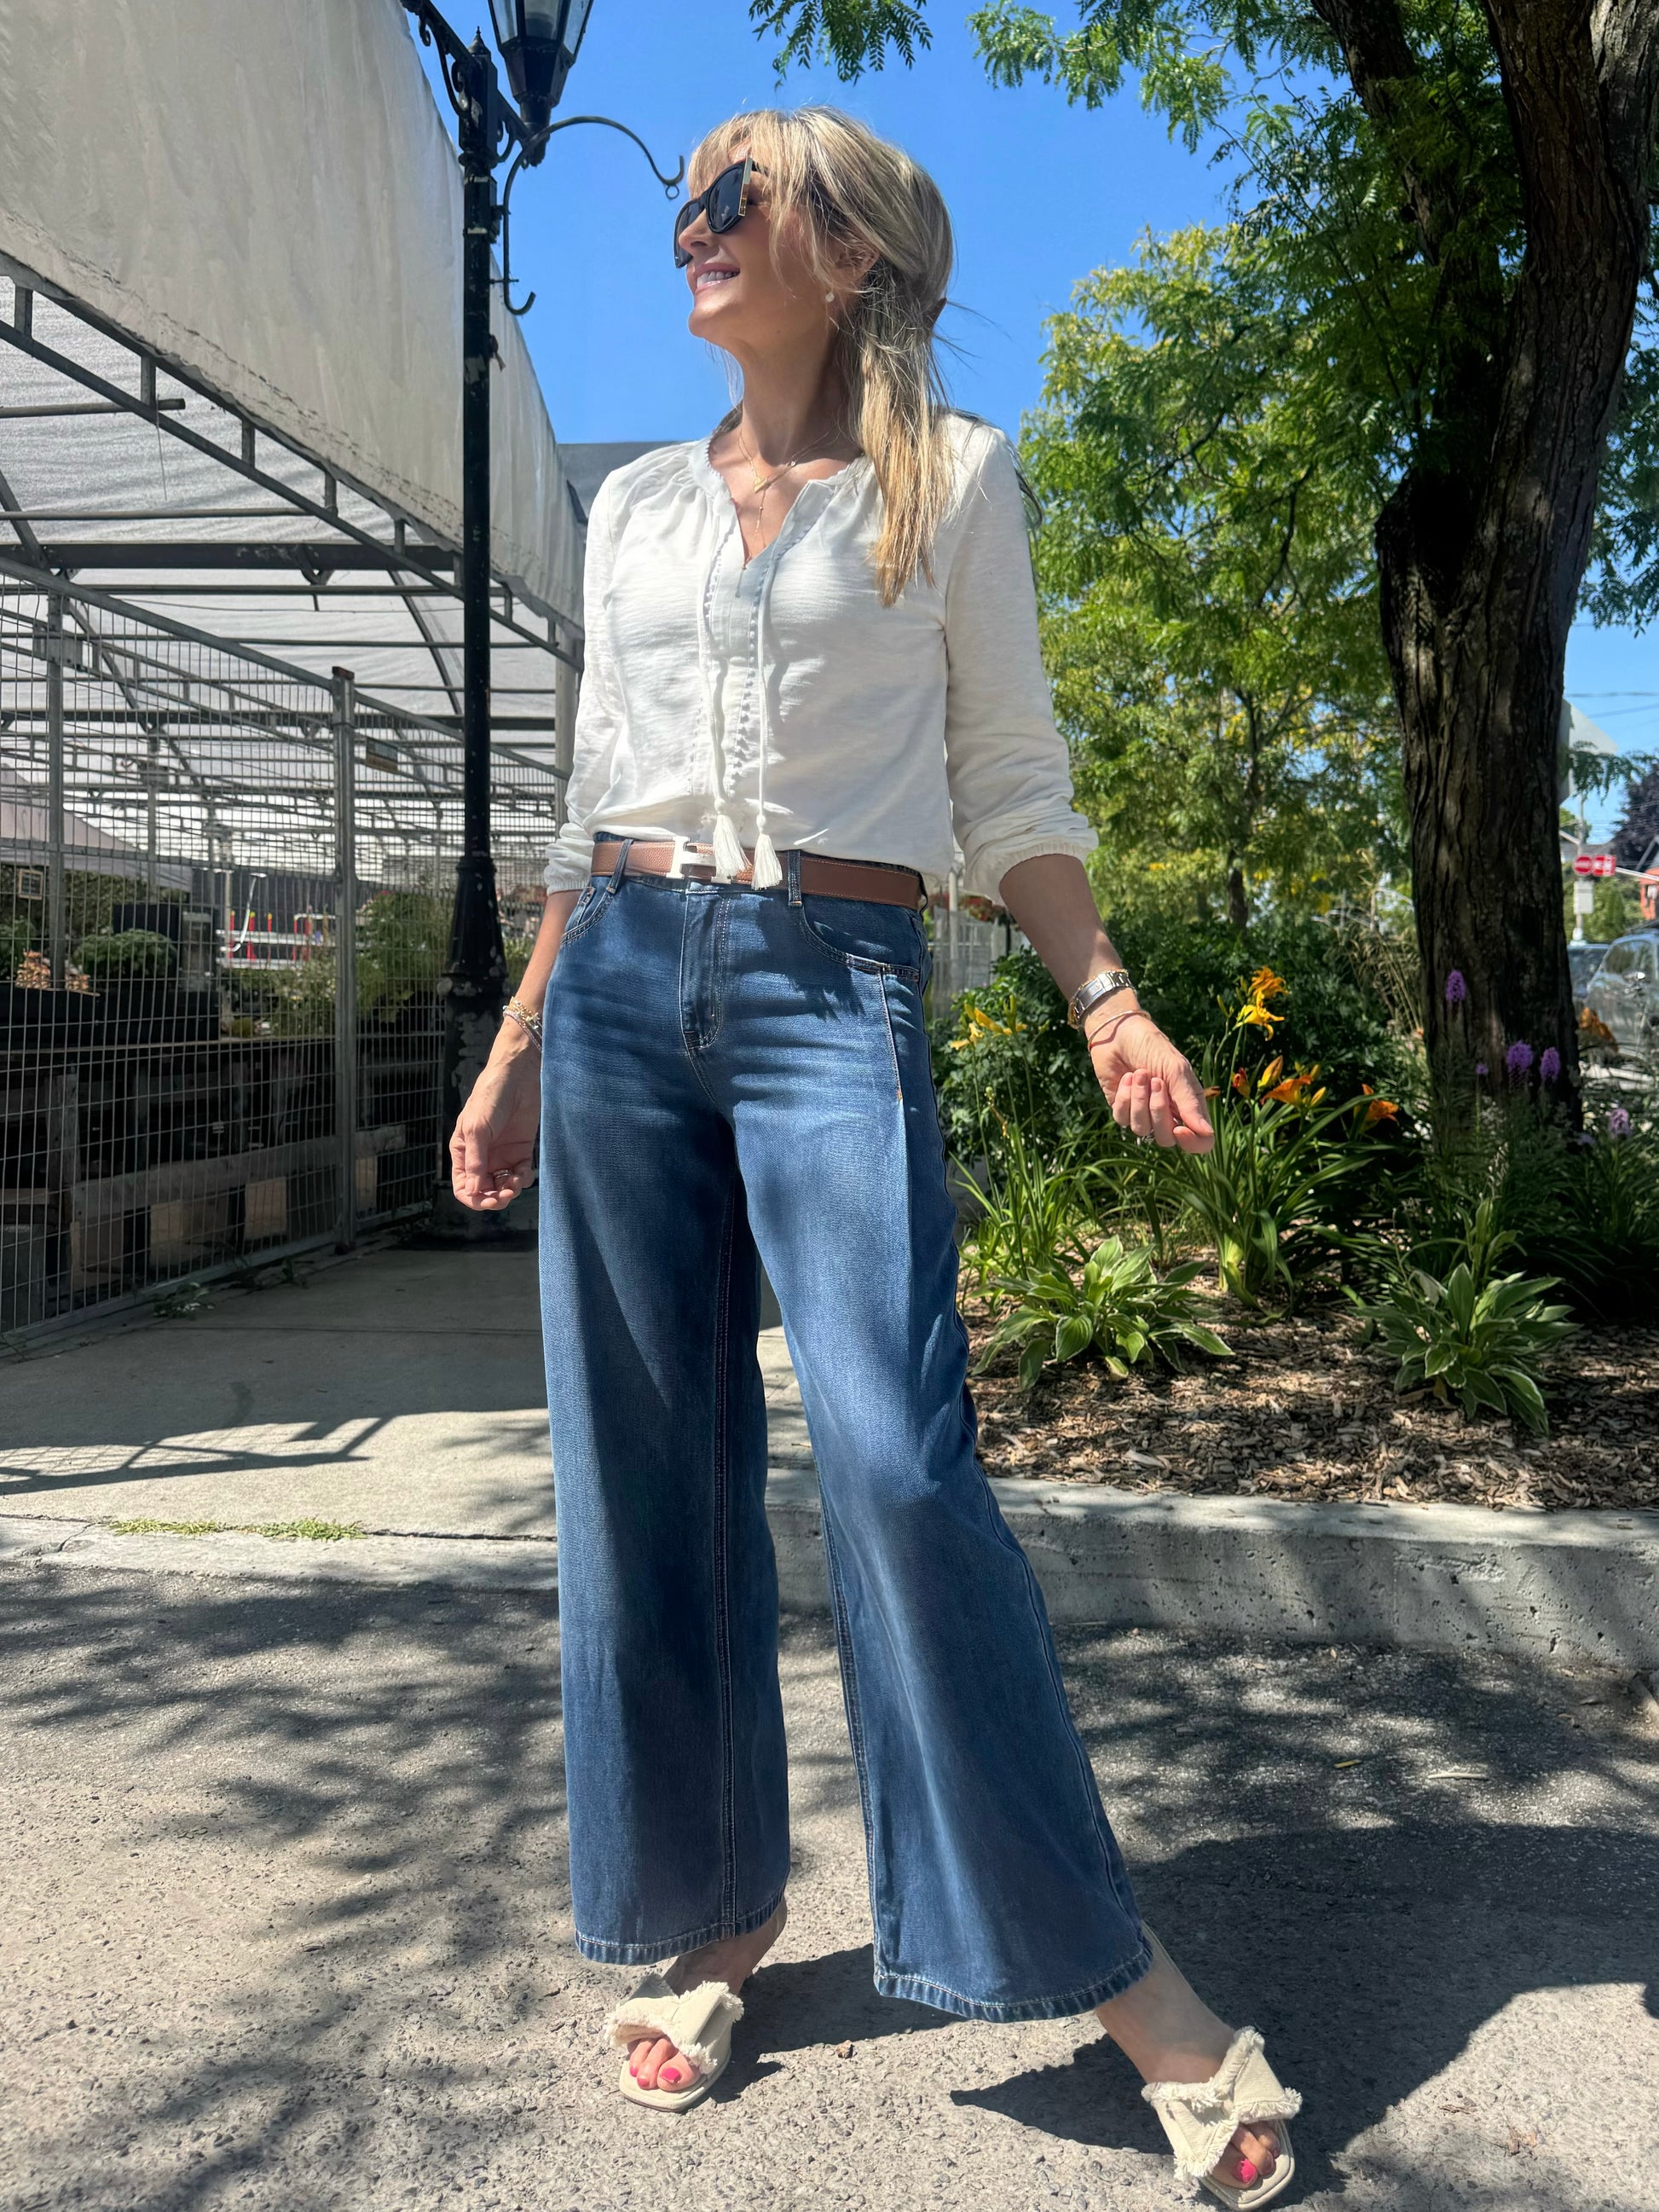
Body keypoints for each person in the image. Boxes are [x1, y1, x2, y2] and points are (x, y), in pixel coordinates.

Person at [451, 104, 1301, 2209]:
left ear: (849, 253)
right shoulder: (637, 506)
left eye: (737, 194)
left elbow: (1009, 775)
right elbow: (587, 792)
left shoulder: (952, 480)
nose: (694, 220)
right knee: (639, 1475)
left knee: (903, 1470)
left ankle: (1110, 1973)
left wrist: (1106, 998)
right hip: (619, 976)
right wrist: (515, 1046)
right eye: (687, 194)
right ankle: (712, 1915)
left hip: (835, 981)